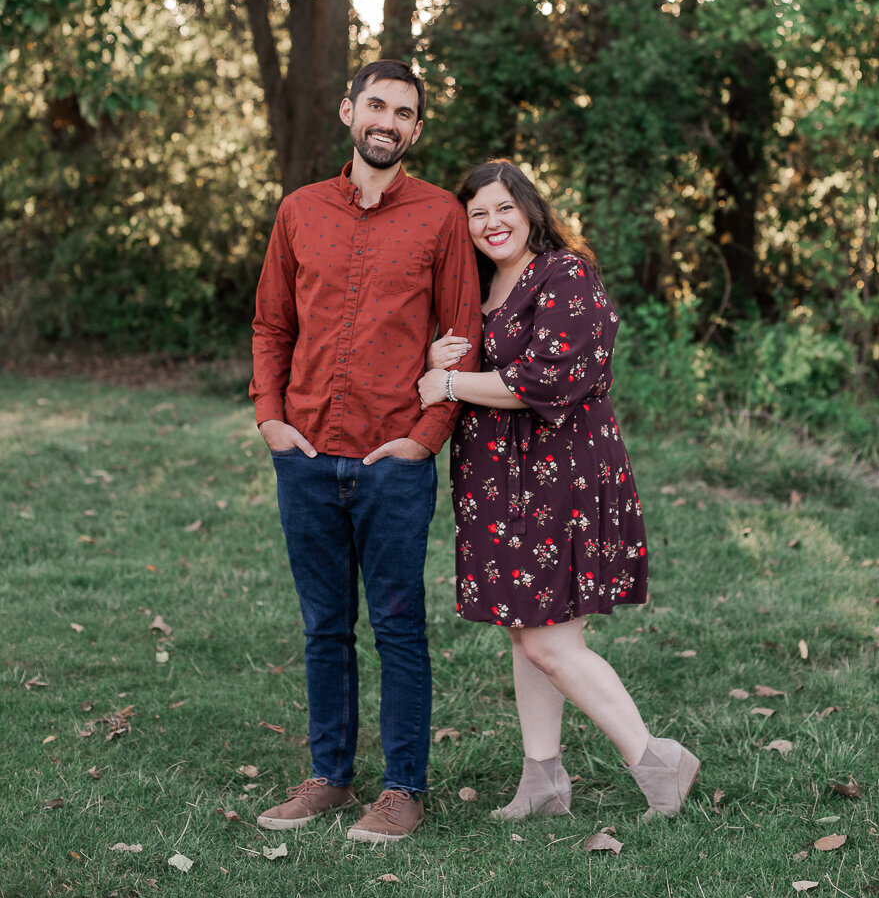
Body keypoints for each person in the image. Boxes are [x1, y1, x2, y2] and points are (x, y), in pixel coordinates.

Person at [417, 159, 699, 820]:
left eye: (503, 208)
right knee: (526, 631)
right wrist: (437, 360)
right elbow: (460, 358)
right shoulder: (478, 285)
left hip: (560, 474)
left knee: (549, 641)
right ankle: (542, 783)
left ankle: (658, 762)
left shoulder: (563, 274)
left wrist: (450, 383)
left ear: (530, 210)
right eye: (477, 213)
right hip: (497, 481)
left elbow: (548, 379)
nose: (492, 223)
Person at [250, 60, 482, 843]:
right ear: (349, 111)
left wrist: (424, 440)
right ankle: (328, 778)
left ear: (416, 128)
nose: (388, 121)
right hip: (307, 455)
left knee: (398, 627)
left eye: (403, 112)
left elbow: (461, 335)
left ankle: (403, 789)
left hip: (394, 463)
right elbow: (271, 325)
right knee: (324, 628)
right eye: (376, 105)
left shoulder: (441, 216)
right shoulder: (299, 210)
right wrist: (271, 420)